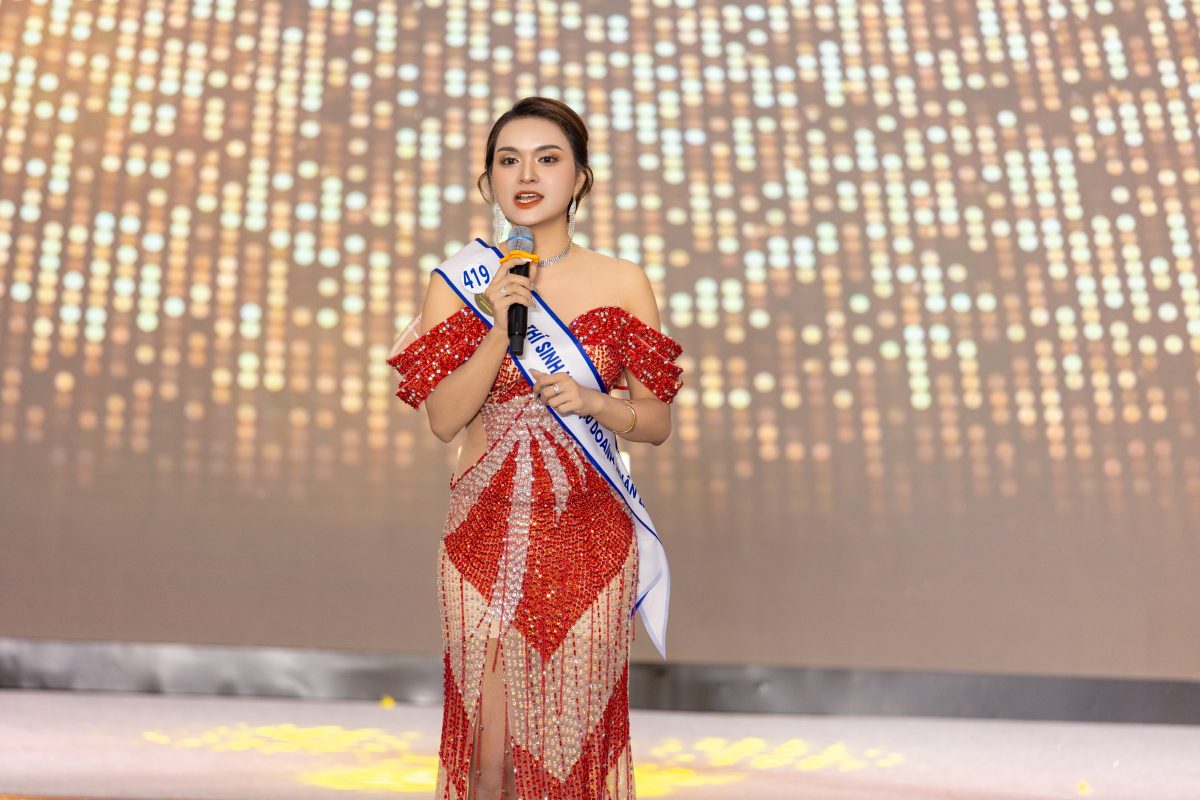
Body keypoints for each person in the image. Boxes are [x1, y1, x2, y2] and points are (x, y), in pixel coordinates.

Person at [386, 96, 684, 799]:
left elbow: (656, 420)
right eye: (508, 160)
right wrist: (499, 326)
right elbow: (444, 420)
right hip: (483, 536)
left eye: (547, 159)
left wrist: (596, 403)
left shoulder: (623, 281)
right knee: (490, 757)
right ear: (488, 179)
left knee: (570, 749)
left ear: (579, 178)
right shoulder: (460, 281)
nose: (527, 175)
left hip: (591, 536)